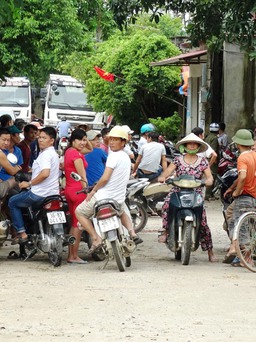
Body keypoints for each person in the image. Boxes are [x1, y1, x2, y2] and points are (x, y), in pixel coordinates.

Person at [75, 125, 143, 255]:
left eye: (116, 140)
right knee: (122, 210)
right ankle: (132, 232)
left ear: (123, 142)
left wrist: (93, 191)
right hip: (118, 198)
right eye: (110, 139)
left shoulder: (113, 156)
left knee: (79, 212)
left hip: (103, 197)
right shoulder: (126, 157)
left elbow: (105, 178)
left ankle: (96, 238)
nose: (112, 142)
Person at [158, 132, 217, 262]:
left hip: (196, 192)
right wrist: (163, 177)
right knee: (166, 205)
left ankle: (210, 252)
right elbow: (168, 171)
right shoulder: (178, 159)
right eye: (189, 143)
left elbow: (209, 177)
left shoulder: (203, 161)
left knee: (203, 220)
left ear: (198, 146)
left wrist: (209, 181)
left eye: (194, 143)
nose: (191, 145)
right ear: (184, 146)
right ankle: (166, 231)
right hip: (178, 190)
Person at [8, 127, 60, 243]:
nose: (40, 140)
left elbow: (45, 173)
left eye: (44, 138)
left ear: (51, 141)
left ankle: (22, 234)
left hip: (39, 194)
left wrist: (29, 183)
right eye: (40, 137)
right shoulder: (54, 154)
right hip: (53, 193)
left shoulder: (46, 155)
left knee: (12, 201)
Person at [222, 129, 256, 266]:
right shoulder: (254, 155)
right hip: (254, 196)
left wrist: (237, 192)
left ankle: (243, 256)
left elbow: (242, 176)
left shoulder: (242, 157)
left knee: (237, 225)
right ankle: (239, 253)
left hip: (245, 196)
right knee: (246, 225)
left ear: (237, 144)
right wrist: (232, 188)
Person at [64, 129, 92, 264]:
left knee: (73, 224)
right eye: (80, 140)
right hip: (78, 191)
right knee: (78, 225)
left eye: (84, 139)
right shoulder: (78, 156)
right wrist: (87, 192)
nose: (83, 143)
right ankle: (73, 256)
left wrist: (86, 140)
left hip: (69, 190)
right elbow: (83, 178)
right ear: (73, 140)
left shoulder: (69, 152)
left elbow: (90, 148)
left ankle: (71, 254)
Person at [0, 127, 21, 201]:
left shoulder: (17, 150)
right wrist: (17, 168)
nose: (6, 143)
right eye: (3, 140)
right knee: (15, 179)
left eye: (8, 140)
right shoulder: (1, 154)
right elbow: (12, 171)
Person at [205, 122, 220, 200]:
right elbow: (213, 150)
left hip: (207, 158)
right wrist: (214, 160)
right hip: (212, 159)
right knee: (212, 176)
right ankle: (208, 195)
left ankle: (209, 194)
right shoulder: (214, 138)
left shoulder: (208, 137)